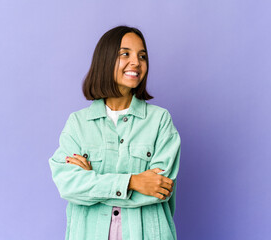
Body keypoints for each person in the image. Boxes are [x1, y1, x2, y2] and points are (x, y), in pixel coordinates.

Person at [49, 25, 181, 240]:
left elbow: (160, 188)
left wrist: (93, 183)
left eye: (142, 56)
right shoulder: (78, 124)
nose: (136, 62)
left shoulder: (159, 121)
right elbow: (68, 186)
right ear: (105, 60)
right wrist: (133, 182)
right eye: (125, 54)